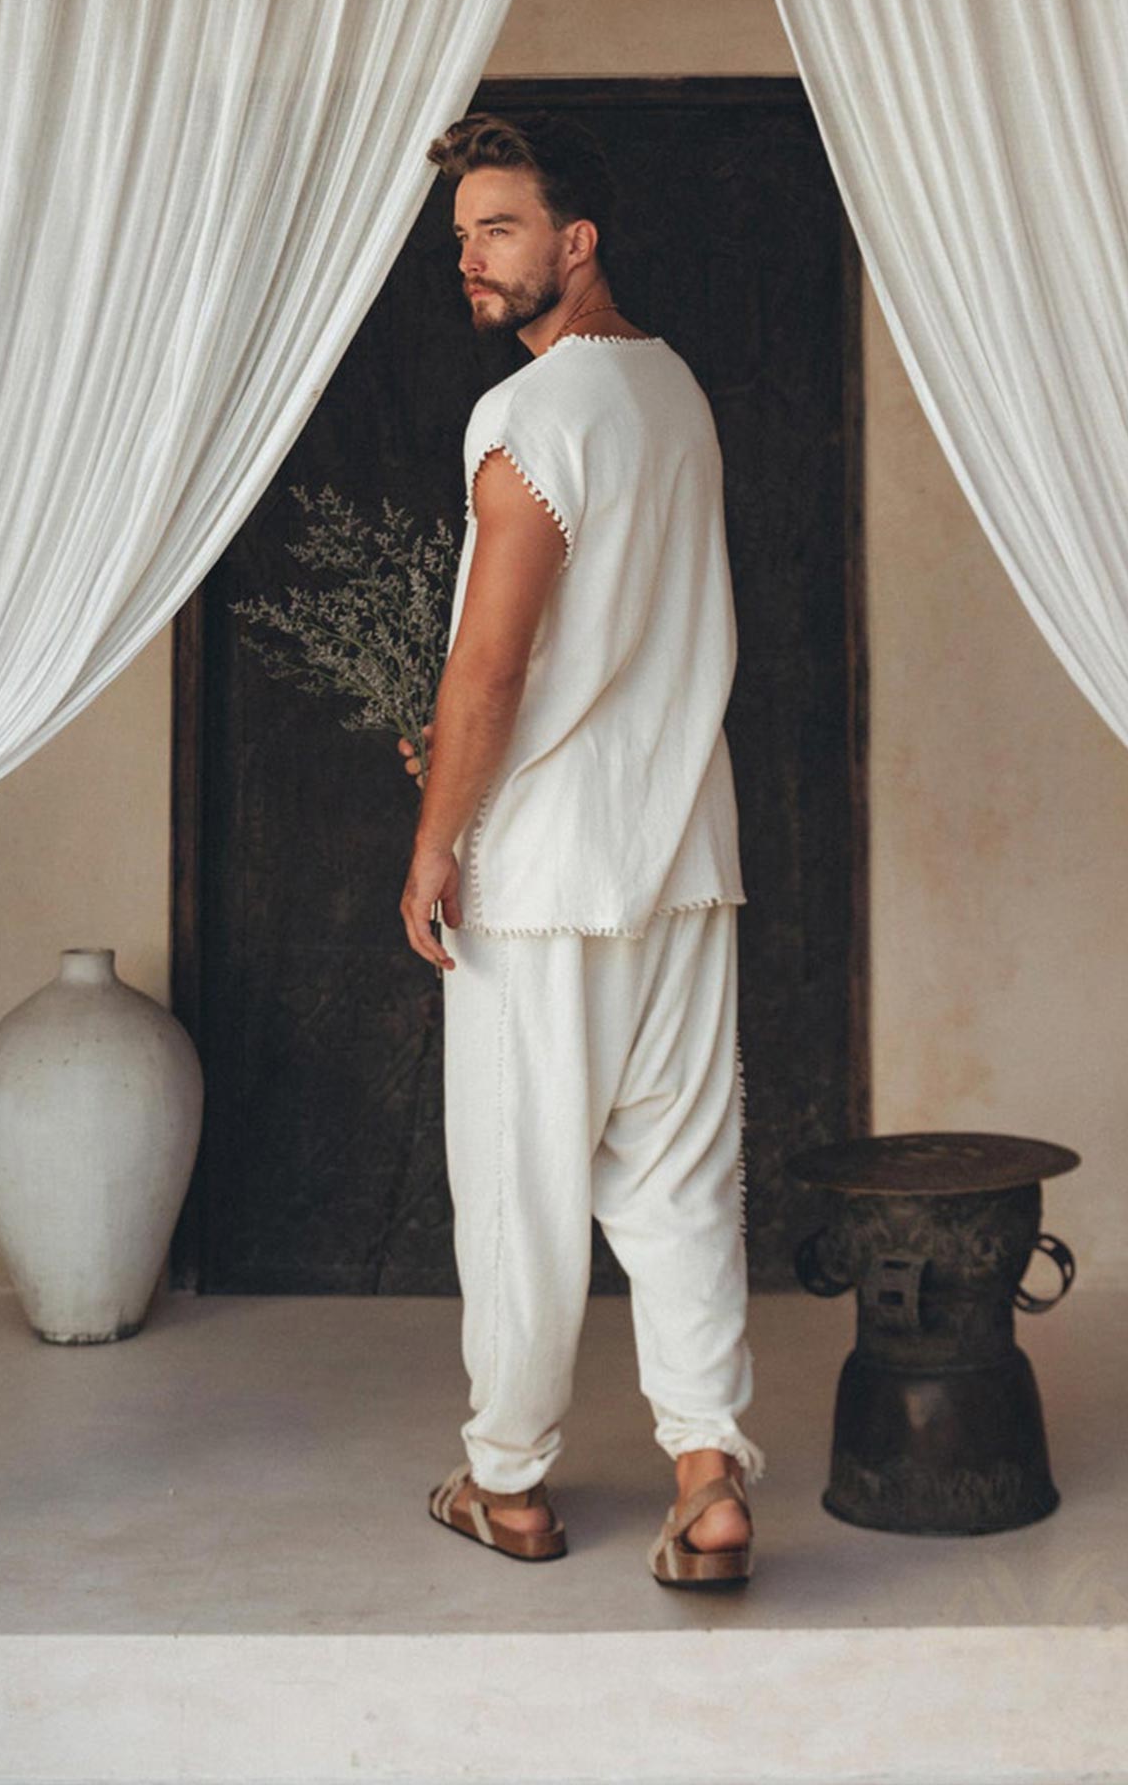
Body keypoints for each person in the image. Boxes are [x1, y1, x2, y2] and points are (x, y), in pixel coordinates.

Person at [397, 110, 765, 1587]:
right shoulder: (672, 394)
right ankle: (708, 1474)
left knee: (521, 1190)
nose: (471, 260)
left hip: (543, 876)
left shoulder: (528, 420)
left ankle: (509, 1486)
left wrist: (436, 842)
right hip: (681, 857)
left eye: (496, 228)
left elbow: (489, 669)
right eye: (460, 236)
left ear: (576, 241)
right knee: (679, 1184)